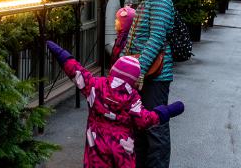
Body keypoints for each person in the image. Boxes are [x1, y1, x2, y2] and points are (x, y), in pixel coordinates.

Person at [47, 41, 184, 168]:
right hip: (122, 151)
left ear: (113, 70)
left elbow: (76, 71)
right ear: (133, 80)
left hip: (95, 146)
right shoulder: (132, 99)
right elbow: (145, 119)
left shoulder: (95, 86)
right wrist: (167, 111)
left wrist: (60, 53)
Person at [123, 0, 177, 168]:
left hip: (154, 75)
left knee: (155, 127)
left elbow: (156, 39)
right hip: (144, 73)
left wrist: (140, 70)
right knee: (140, 124)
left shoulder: (161, 0)